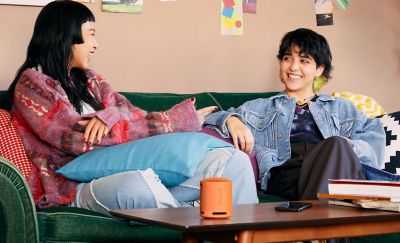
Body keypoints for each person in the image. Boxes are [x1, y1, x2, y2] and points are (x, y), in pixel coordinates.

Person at [6, 0, 258, 212]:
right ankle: (193, 217)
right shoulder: (32, 85)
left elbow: (134, 114)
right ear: (66, 35)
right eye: (91, 34)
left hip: (126, 165)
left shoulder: (91, 81)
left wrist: (110, 115)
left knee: (232, 160)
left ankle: (237, 232)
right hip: (72, 183)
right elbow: (78, 140)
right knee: (139, 185)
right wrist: (174, 120)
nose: (96, 44)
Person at [205, 28, 392, 201]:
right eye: (287, 58)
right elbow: (208, 120)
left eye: (304, 60)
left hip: (334, 169)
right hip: (288, 174)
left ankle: (317, 234)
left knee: (337, 146)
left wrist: (345, 149)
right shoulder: (259, 108)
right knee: (338, 159)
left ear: (319, 69)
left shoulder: (340, 108)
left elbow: (372, 139)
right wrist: (232, 120)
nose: (293, 67)